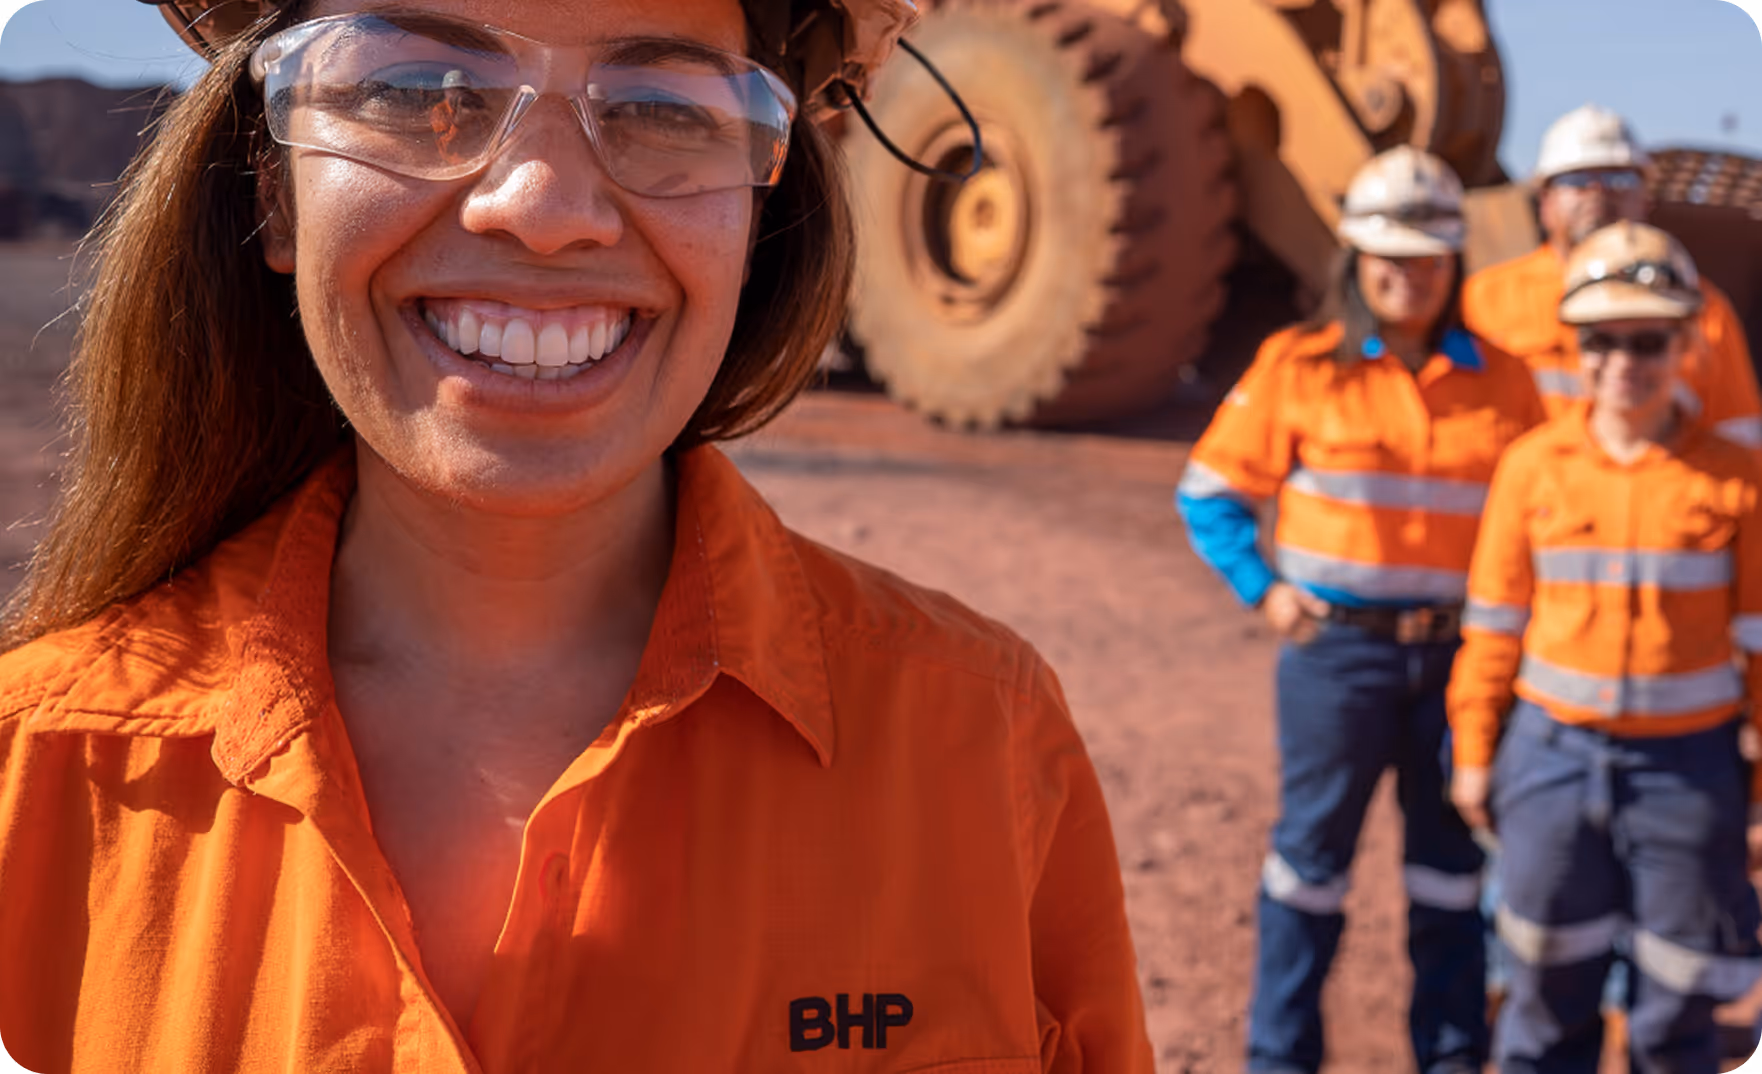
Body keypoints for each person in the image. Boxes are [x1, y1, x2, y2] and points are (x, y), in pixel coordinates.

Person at [0, 1, 1155, 1071]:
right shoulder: (34, 773)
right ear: (274, 189)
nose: (545, 209)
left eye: (664, 111)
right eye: (414, 90)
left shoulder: (981, 737)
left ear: (761, 211)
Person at [1176, 145, 1547, 1074]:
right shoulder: (1299, 365)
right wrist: (1264, 592)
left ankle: (1452, 1058)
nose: (1407, 276)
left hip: (1461, 668)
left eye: (1427, 259)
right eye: (1389, 258)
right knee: (1309, 871)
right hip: (1336, 660)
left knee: (1451, 879)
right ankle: (1280, 1059)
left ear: (1454, 263)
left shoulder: (1509, 382)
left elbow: (1547, 515)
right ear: (1355, 260)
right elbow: (1209, 490)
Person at [1448, 221, 1762, 1073]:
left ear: (1686, 343)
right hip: (1550, 760)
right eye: (1603, 340)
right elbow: (1493, 627)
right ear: (1576, 348)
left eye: (1648, 338)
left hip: (1688, 777)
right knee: (1546, 1001)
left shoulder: (1737, 479)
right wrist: (1475, 754)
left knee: (1675, 1012)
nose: (1625, 360)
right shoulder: (1531, 468)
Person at [1463, 104, 1762, 445]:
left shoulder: (1699, 306)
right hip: (1534, 490)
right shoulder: (1486, 299)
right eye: (1577, 181)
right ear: (1544, 201)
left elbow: (1739, 439)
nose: (1599, 193)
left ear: (1646, 198)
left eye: (1619, 179)